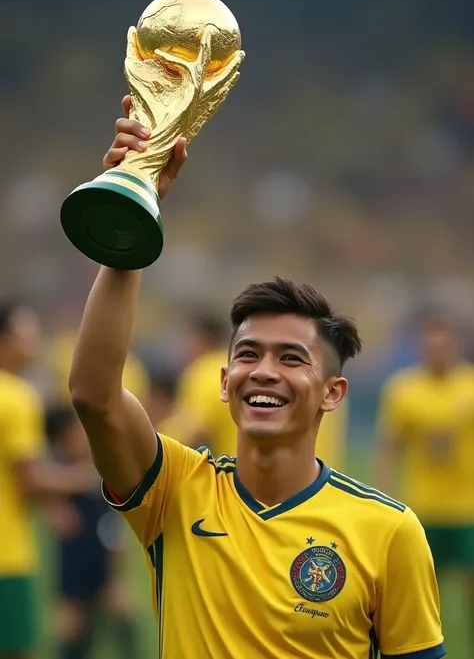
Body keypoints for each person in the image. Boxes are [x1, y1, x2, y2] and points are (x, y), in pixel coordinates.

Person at [68, 96, 445, 659]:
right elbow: (94, 397)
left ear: (333, 393)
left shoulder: (389, 531)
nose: (264, 371)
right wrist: (131, 204)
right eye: (248, 354)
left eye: (292, 358)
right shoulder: (175, 491)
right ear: (224, 380)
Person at [0, 302, 94, 659]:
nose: (34, 339)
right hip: (7, 556)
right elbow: (30, 479)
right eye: (26, 332)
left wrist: (52, 506)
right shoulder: (16, 397)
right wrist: (85, 480)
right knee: (17, 651)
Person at [375, 312, 474, 642]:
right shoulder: (403, 389)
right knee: (422, 595)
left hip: (468, 509)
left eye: (443, 342)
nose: (437, 348)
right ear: (420, 345)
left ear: (455, 345)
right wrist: (382, 494)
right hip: (421, 509)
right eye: (429, 342)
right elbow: (389, 446)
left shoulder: (470, 385)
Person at [161, 310, 349, 468]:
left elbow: (182, 435)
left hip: (250, 491)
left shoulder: (208, 370)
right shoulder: (323, 382)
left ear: (202, 340)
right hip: (320, 490)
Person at [45, 406, 140, 659]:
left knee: (124, 616)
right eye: (78, 432)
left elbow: (113, 525)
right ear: (64, 437)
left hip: (104, 562)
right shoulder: (57, 474)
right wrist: (52, 507)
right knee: (73, 632)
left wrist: (117, 574)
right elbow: (40, 491)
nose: (85, 437)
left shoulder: (100, 467)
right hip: (74, 566)